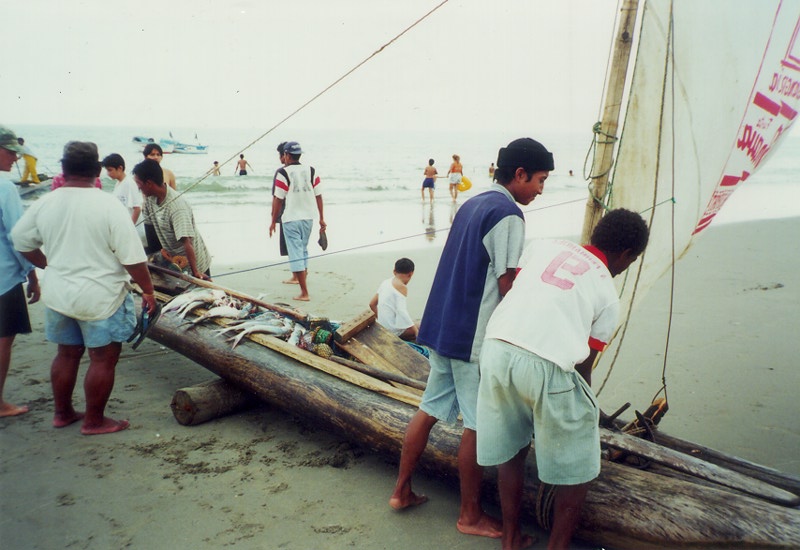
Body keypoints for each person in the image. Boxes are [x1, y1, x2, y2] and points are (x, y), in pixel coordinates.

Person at [389, 138, 554, 540]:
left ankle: (401, 491)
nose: (540, 189)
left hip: (441, 325)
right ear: (519, 175)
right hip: (471, 337)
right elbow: (507, 282)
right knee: (477, 425)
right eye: (539, 180)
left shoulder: (473, 203)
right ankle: (470, 515)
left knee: (429, 408)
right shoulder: (509, 214)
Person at [477, 208, 649, 550]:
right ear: (626, 254)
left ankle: (510, 539)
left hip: (496, 349)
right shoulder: (608, 294)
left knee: (512, 451)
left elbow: (521, 292)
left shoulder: (543, 246)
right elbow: (583, 367)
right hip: (546, 365)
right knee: (579, 467)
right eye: (630, 262)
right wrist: (587, 412)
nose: (625, 268)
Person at [11, 141, 157, 435]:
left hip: (59, 294)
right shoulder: (109, 206)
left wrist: (48, 265)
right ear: (96, 171)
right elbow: (132, 258)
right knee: (103, 358)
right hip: (101, 297)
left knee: (66, 354)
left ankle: (62, 413)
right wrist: (148, 291)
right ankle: (93, 421)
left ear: (64, 170)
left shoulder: (46, 202)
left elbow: (21, 241)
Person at [0, 126, 40, 418]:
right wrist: (33, 274)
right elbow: (19, 237)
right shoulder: (5, 187)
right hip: (3, 278)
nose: (16, 158)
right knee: (3, 340)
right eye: (11, 151)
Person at [133, 159, 212, 280]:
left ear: (149, 183)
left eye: (139, 184)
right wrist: (153, 258)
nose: (138, 188)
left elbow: (187, 242)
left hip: (195, 262)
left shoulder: (177, 208)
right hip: (173, 259)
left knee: (200, 289)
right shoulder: (150, 199)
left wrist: (196, 272)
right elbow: (150, 232)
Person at [269, 141, 325, 301]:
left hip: (291, 218)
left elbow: (278, 199)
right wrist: (321, 218)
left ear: (287, 155)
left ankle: (304, 293)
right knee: (303, 250)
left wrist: (273, 221)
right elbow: (319, 196)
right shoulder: (311, 170)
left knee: (295, 253)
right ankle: (303, 285)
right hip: (308, 217)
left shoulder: (283, 172)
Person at [369, 258, 419, 341]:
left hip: (384, 328)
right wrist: (416, 331)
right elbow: (402, 311)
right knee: (423, 326)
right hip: (393, 331)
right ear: (411, 274)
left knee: (412, 325)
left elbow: (372, 304)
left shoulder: (385, 282)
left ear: (394, 271)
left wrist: (383, 321)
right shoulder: (402, 287)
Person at [102, 153, 146, 247]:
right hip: (124, 228)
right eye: (107, 170)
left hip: (132, 232)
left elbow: (137, 208)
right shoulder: (119, 183)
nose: (108, 173)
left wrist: (129, 229)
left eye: (110, 170)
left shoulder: (129, 183)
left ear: (120, 168)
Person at [141, 143, 176, 254]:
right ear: (145, 156)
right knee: (153, 248)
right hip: (149, 215)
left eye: (158, 154)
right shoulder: (141, 174)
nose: (156, 157)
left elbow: (174, 195)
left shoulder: (168, 173)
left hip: (166, 214)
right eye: (152, 154)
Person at [271, 142, 297, 284]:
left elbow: (277, 197)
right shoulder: (302, 171)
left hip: (286, 214)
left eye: (280, 155)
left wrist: (273, 217)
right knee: (298, 245)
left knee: (290, 246)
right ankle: (301, 273)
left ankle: (296, 275)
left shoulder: (281, 172)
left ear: (284, 156)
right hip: (300, 212)